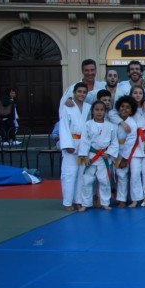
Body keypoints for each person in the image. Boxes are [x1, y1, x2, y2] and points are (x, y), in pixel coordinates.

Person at [76, 100, 119, 212]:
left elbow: (114, 142)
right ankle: (85, 203)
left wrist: (109, 153)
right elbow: (84, 141)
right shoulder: (88, 125)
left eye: (101, 110)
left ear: (105, 111)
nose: (99, 112)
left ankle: (105, 203)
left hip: (104, 157)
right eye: (96, 110)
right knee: (87, 181)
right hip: (91, 156)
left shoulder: (110, 126)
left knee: (104, 181)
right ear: (92, 111)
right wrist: (84, 156)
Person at [59, 83, 90, 211]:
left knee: (82, 174)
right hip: (71, 142)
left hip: (84, 143)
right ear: (74, 93)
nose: (82, 94)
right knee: (69, 173)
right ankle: (67, 202)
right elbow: (64, 126)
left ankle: (79, 200)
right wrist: (67, 145)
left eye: (84, 92)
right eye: (79, 91)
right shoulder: (67, 107)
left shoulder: (88, 107)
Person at [126, 85, 145, 208]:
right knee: (134, 173)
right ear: (131, 94)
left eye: (140, 93)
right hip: (134, 144)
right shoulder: (128, 109)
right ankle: (135, 198)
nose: (137, 95)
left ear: (143, 95)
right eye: (135, 93)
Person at [113, 95, 138, 207]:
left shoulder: (132, 123)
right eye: (122, 106)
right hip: (112, 149)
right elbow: (110, 114)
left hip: (124, 150)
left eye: (127, 107)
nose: (124, 109)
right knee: (113, 175)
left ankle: (122, 199)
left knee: (122, 174)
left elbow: (130, 142)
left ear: (131, 110)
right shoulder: (115, 119)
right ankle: (115, 196)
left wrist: (124, 158)